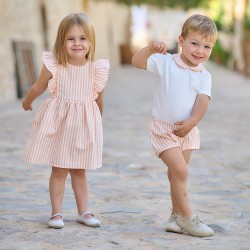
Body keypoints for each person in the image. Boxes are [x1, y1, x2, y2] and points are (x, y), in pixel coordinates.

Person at [131, 14, 217, 237]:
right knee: (181, 170)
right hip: (164, 129)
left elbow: (202, 102)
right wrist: (150, 48)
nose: (199, 51)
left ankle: (175, 218)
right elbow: (137, 62)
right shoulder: (166, 62)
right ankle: (189, 218)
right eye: (194, 43)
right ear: (181, 40)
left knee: (174, 175)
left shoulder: (204, 76)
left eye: (206, 46)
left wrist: (191, 123)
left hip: (186, 131)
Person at [22, 13, 110, 229]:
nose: (77, 43)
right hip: (60, 126)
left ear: (91, 42)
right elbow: (39, 86)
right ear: (62, 41)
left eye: (83, 38)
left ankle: (84, 211)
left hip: (83, 128)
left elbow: (98, 99)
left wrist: (97, 124)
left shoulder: (95, 70)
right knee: (59, 170)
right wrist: (27, 100)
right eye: (71, 39)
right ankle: (56, 214)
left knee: (80, 170)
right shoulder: (55, 65)